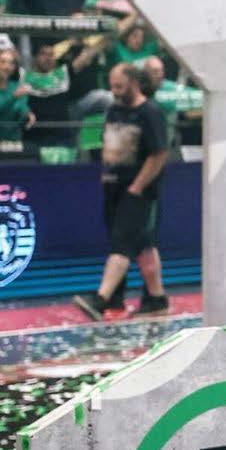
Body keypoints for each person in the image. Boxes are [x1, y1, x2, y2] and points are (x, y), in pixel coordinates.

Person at [73, 63, 169, 320]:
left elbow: (159, 153)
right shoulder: (114, 110)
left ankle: (101, 298)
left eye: (119, 86)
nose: (114, 91)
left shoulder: (150, 112)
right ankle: (156, 297)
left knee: (122, 244)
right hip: (113, 186)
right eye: (112, 86)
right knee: (143, 245)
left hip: (137, 190)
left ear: (134, 84)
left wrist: (138, 186)